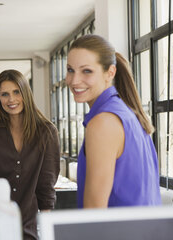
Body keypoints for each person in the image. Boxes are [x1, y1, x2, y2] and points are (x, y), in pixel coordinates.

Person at [66, 34, 161, 208]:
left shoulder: (103, 123)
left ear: (110, 72)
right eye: (70, 70)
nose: (74, 80)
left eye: (86, 71)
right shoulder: (126, 113)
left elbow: (95, 211)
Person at [0, 69, 60, 240]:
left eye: (17, 92)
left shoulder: (47, 132)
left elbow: (46, 186)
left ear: (26, 93)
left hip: (28, 227)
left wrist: (45, 232)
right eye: (4, 94)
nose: (11, 99)